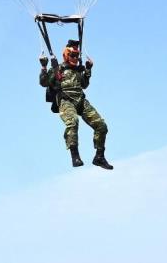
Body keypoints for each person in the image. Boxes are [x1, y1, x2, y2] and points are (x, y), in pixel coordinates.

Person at [39, 40, 112, 170]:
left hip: (81, 101)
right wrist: (44, 67)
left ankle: (99, 157)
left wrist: (88, 69)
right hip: (66, 100)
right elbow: (44, 82)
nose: (75, 58)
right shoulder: (58, 68)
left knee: (101, 125)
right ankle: (75, 156)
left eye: (77, 56)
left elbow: (84, 85)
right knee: (73, 122)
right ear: (66, 55)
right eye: (72, 55)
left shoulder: (78, 70)